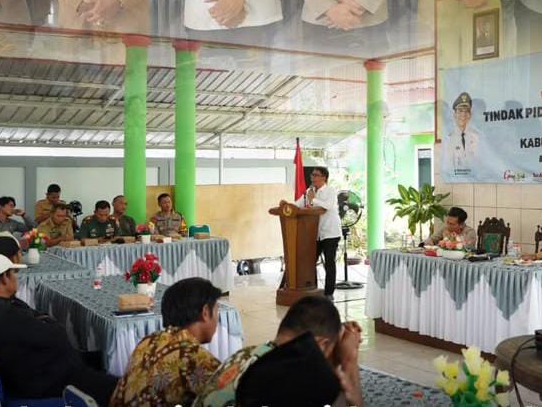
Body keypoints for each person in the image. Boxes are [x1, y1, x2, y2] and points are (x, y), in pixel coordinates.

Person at [0, 253, 118, 403]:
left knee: (97, 359)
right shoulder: (5, 315)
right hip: (45, 381)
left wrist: (45, 321)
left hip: (36, 371)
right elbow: (57, 335)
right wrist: (49, 322)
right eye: (13, 273)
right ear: (3, 278)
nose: (16, 277)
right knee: (118, 387)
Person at [195, 295, 362, 407]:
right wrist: (349, 362)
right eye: (332, 350)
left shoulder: (244, 355)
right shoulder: (292, 374)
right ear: (322, 345)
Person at [110, 278, 222, 406]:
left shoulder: (149, 341)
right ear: (206, 312)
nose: (217, 319)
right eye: (217, 310)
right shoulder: (197, 358)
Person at [300, 167, 342, 298]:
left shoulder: (330, 191)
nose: (312, 177)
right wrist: (287, 206)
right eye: (312, 175)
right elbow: (300, 204)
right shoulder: (309, 191)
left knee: (329, 263)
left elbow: (327, 206)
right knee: (310, 261)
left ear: (324, 177)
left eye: (315, 175)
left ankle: (329, 293)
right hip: (316, 233)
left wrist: (313, 199)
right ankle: (313, 289)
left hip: (330, 232)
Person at [444, 93, 480, 176]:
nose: (463, 114)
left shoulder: (477, 137)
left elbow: (481, 164)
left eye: (466, 111)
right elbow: (448, 169)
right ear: (454, 115)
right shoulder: (449, 139)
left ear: (470, 115)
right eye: (460, 111)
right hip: (457, 180)